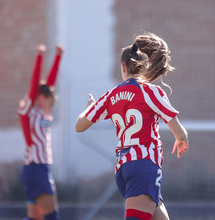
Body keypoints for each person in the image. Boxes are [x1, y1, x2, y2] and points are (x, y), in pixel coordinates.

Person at [75, 32, 189, 220]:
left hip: (123, 169)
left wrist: (88, 109)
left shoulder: (110, 96)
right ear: (143, 66)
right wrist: (182, 139)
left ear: (123, 66)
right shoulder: (150, 92)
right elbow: (177, 128)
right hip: (144, 166)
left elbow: (79, 126)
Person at [18, 44, 63, 220]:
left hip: (38, 168)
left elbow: (49, 84)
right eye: (51, 102)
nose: (51, 107)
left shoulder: (41, 111)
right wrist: (39, 57)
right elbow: (35, 84)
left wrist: (58, 57)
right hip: (36, 168)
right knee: (52, 216)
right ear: (42, 97)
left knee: (36, 218)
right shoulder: (30, 110)